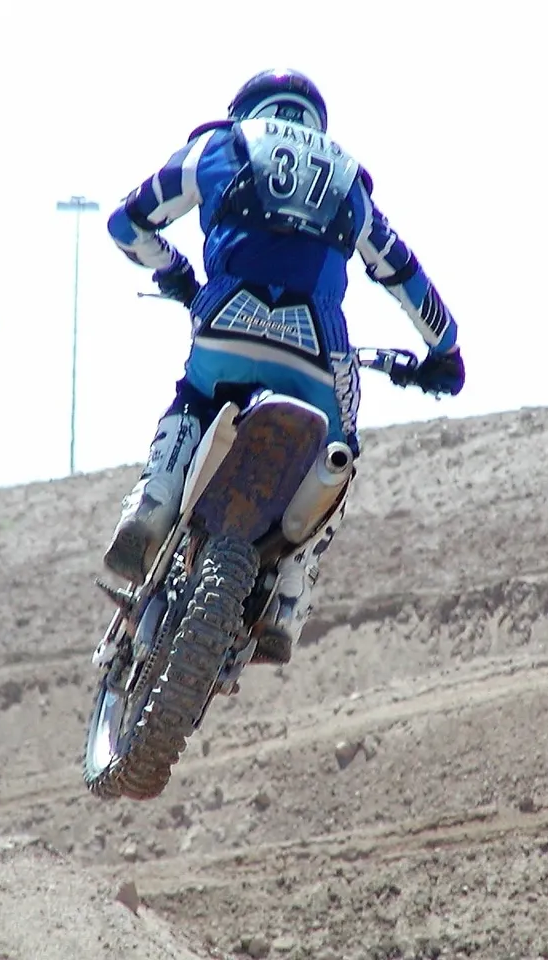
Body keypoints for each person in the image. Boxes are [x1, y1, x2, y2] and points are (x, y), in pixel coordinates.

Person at [103, 68, 464, 664]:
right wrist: (443, 350)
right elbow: (401, 272)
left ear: (249, 107)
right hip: (315, 351)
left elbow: (127, 223)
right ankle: (293, 587)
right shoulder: (348, 181)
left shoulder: (219, 145)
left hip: (228, 322)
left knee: (194, 396)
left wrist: (173, 271)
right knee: (340, 452)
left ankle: (154, 497)